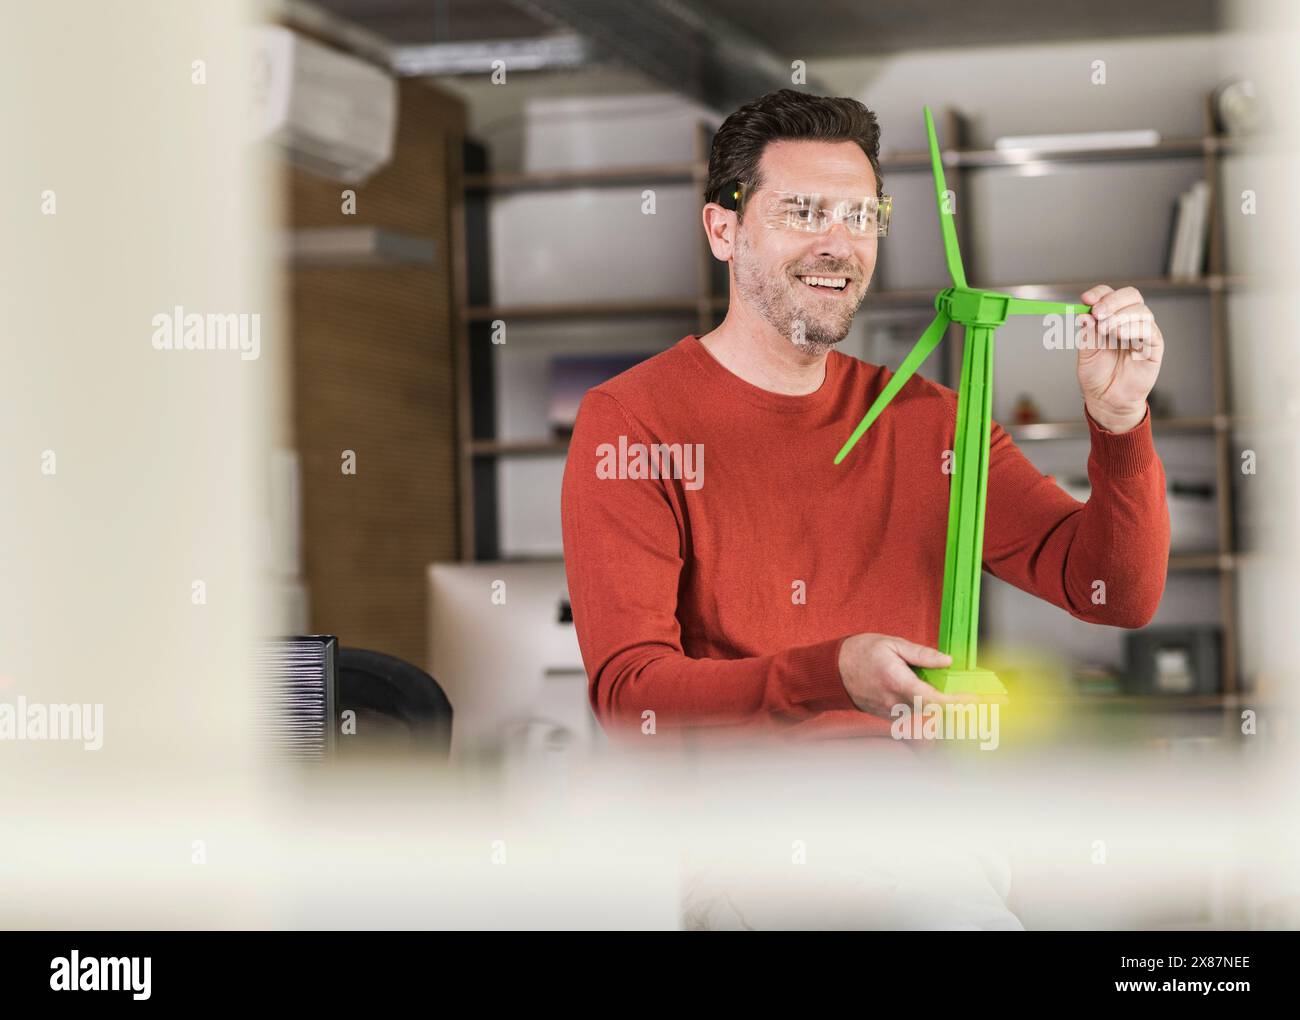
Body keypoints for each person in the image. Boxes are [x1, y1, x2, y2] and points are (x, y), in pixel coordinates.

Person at [561, 89, 1169, 742]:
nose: (839, 244)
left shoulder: (937, 426)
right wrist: (830, 672)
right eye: (802, 212)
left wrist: (1120, 421)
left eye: (860, 216)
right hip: (731, 834)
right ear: (724, 232)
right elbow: (630, 697)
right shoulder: (630, 422)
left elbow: (1116, 593)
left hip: (911, 828)